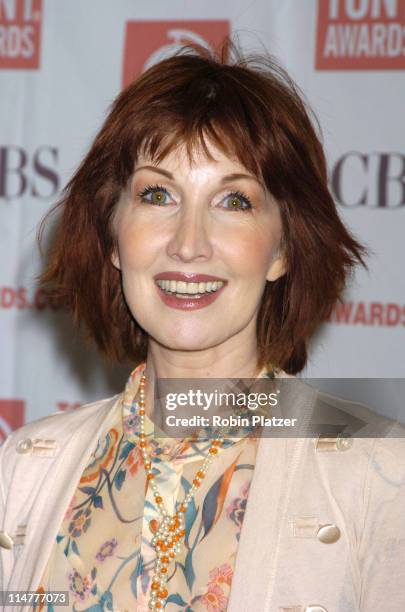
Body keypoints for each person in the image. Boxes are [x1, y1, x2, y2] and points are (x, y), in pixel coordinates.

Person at [1, 41, 404, 612]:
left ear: (283, 249)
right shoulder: (25, 467)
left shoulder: (382, 472)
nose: (189, 244)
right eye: (157, 194)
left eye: (234, 201)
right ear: (115, 234)